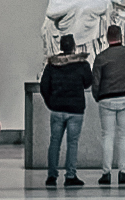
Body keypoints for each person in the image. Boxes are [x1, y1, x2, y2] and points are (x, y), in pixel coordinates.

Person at [39, 33, 94, 187]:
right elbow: (88, 82)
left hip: (57, 108)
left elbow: (44, 86)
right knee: (72, 143)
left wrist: (50, 102)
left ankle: (51, 176)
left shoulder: (52, 64)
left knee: (54, 142)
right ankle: (70, 176)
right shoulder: (82, 64)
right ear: (74, 47)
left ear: (61, 47)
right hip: (75, 109)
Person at [93, 24, 125, 185]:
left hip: (106, 99)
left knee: (107, 135)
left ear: (107, 38)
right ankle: (123, 172)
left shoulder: (101, 57)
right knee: (124, 136)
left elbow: (96, 82)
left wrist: (97, 97)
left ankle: (106, 173)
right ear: (121, 36)